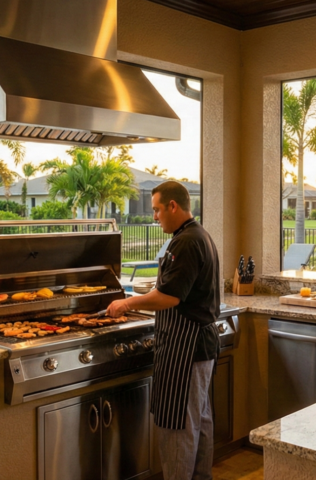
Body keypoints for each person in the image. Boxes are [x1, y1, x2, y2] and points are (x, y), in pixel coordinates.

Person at [106, 181, 220, 480]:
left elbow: (170, 296)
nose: (154, 217)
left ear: (173, 206)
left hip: (186, 348)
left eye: (157, 209)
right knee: (199, 421)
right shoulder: (199, 234)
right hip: (198, 346)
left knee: (178, 425)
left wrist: (127, 303)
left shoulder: (185, 241)